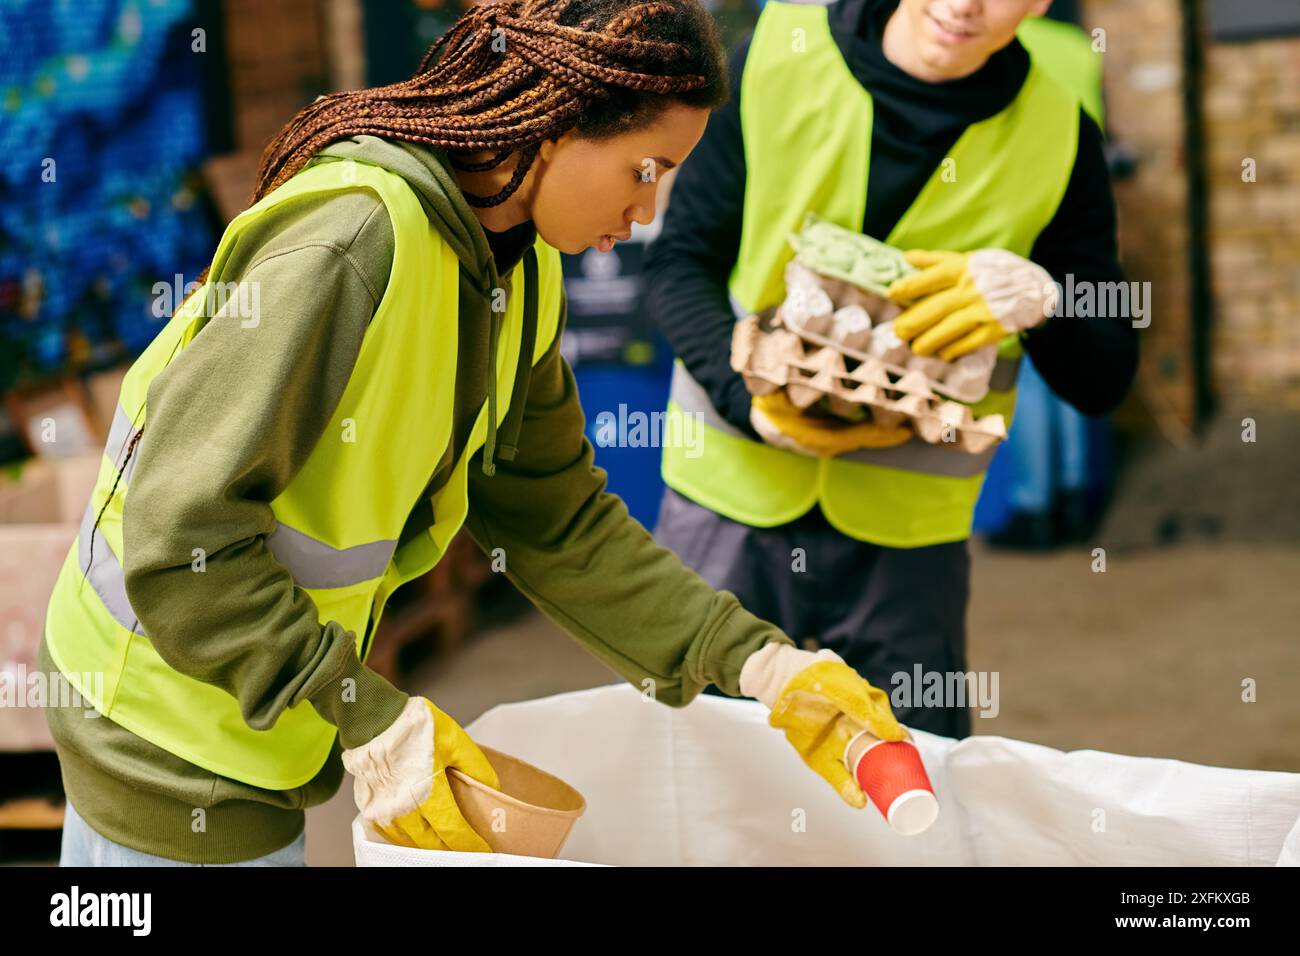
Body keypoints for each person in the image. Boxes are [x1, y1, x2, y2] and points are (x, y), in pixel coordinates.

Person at [41, 0, 908, 867]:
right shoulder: (350, 247)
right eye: (643, 170)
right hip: (156, 723)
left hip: (261, 718)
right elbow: (177, 532)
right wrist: (362, 708)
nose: (648, 210)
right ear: (556, 124)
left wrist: (757, 663)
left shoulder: (520, 275)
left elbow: (558, 525)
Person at [645, 0, 1139, 736]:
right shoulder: (778, 50)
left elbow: (1102, 379)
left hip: (907, 540)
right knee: (697, 775)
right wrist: (747, 398)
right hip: (727, 503)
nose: (965, 4)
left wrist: (1046, 298)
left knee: (909, 791)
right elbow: (679, 263)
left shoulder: (1059, 136)